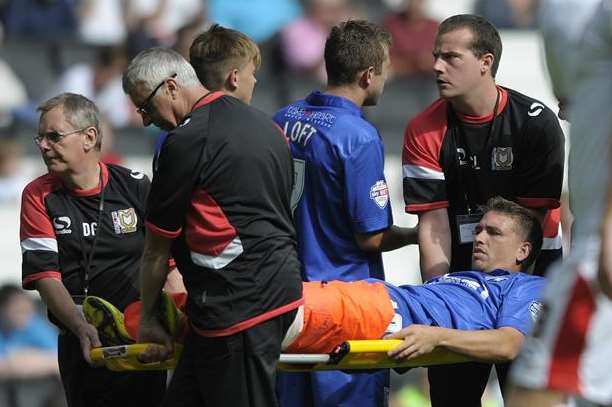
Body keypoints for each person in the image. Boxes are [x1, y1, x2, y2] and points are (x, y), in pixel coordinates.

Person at [111, 197, 545, 365]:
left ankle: (158, 315)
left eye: (494, 233)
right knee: (272, 304)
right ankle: (143, 317)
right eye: (480, 229)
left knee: (270, 310)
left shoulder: (528, 288)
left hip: (385, 315)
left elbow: (511, 344)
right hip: (372, 299)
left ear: (524, 251)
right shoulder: (465, 277)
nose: (480, 238)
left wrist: (437, 336)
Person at [122, 47, 303, 407]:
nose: (145, 121)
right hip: (267, 295)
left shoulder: (185, 142)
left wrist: (148, 319)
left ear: (171, 87)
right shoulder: (267, 126)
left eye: (145, 107)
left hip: (238, 310)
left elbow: (156, 249)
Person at [401, 14, 565, 406]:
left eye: (451, 57)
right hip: (461, 276)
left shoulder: (535, 124)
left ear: (485, 62)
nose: (437, 66)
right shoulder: (423, 129)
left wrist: (493, 302)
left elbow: (528, 231)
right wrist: (441, 301)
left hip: (531, 270)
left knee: (530, 397)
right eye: (436, 56)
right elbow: (434, 226)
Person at [273, 19, 418, 407]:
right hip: (343, 307)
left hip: (286, 299)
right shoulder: (358, 135)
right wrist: (420, 234)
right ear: (368, 74)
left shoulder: (283, 118)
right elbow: (369, 236)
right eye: (385, 69)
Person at [19, 92, 167, 406]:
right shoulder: (38, 195)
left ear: (89, 137)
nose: (44, 145)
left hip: (140, 340)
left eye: (54, 136)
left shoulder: (136, 186)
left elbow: (169, 262)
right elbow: (47, 278)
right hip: (82, 343)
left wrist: (163, 321)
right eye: (40, 137)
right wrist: (80, 326)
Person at [507, 1, 612, 406]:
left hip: (598, 248)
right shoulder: (563, 12)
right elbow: (571, 101)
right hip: (592, 232)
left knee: (536, 390)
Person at [189, 23, 261, 104]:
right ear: (234, 78)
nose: (255, 80)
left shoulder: (182, 115)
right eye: (252, 73)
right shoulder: (255, 117)